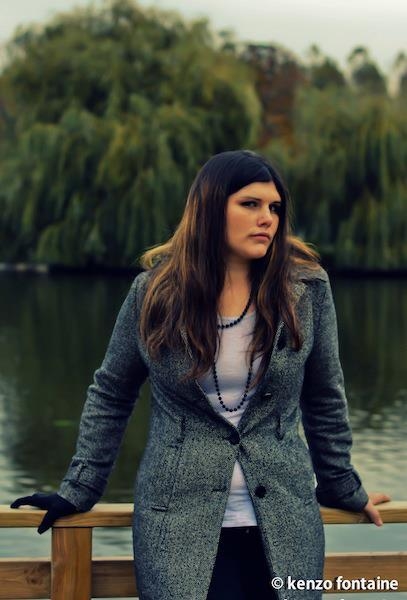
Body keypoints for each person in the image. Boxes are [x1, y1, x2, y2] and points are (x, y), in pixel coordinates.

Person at [11, 150, 390, 600]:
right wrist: (79, 489)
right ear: (210, 207)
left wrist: (342, 484)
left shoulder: (306, 290)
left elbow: (325, 396)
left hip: (287, 523)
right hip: (176, 525)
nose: (267, 218)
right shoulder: (154, 293)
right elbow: (111, 392)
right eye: (250, 204)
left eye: (274, 207)